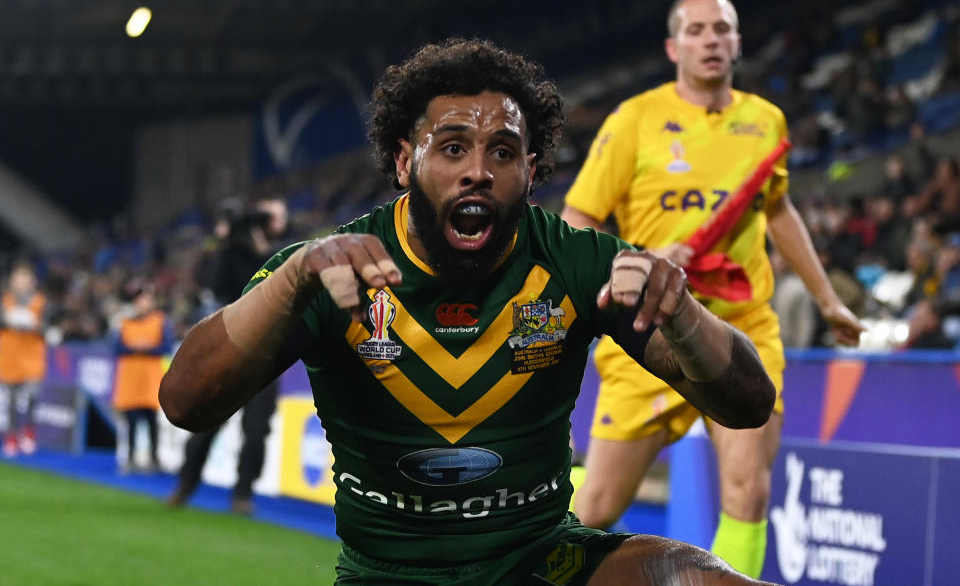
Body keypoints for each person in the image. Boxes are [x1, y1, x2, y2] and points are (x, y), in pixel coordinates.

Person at [160, 38, 781, 585]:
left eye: (504, 153)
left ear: (531, 170)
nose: (478, 173)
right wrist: (292, 279)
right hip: (390, 577)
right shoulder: (329, 268)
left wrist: (684, 315)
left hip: (540, 562)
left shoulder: (576, 261)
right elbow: (185, 401)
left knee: (691, 578)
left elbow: (748, 404)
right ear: (406, 161)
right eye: (452, 148)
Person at [561, 0, 864, 579]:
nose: (711, 40)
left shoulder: (764, 120)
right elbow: (578, 221)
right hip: (649, 335)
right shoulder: (633, 122)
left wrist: (828, 300)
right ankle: (516, 540)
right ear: (674, 46)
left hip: (740, 331)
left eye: (721, 29)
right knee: (595, 506)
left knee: (749, 490)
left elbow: (778, 211)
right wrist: (641, 260)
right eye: (697, 31)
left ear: (738, 43)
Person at [167, 198, 287, 515]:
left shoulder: (286, 252)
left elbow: (279, 288)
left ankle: (242, 494)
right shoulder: (230, 252)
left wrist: (262, 249)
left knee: (257, 429)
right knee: (208, 419)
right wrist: (226, 245)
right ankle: (185, 484)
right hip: (230, 351)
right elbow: (217, 286)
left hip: (267, 355)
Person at [112, 280, 174, 472]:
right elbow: (116, 348)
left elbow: (166, 347)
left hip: (150, 380)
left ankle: (154, 458)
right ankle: (130, 458)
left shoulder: (160, 321)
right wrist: (136, 347)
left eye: (146, 300)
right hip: (130, 380)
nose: (142, 304)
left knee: (151, 421)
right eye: (140, 300)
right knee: (131, 421)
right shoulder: (124, 322)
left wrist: (144, 348)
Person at [0, 262, 48, 457]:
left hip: (31, 358)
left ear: (32, 282)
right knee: (10, 400)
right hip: (9, 358)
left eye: (25, 280)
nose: (21, 284)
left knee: (30, 398)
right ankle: (11, 437)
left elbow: (46, 328)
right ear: (12, 282)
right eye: (18, 280)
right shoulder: (5, 301)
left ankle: (28, 434)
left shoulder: (40, 302)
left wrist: (32, 324)